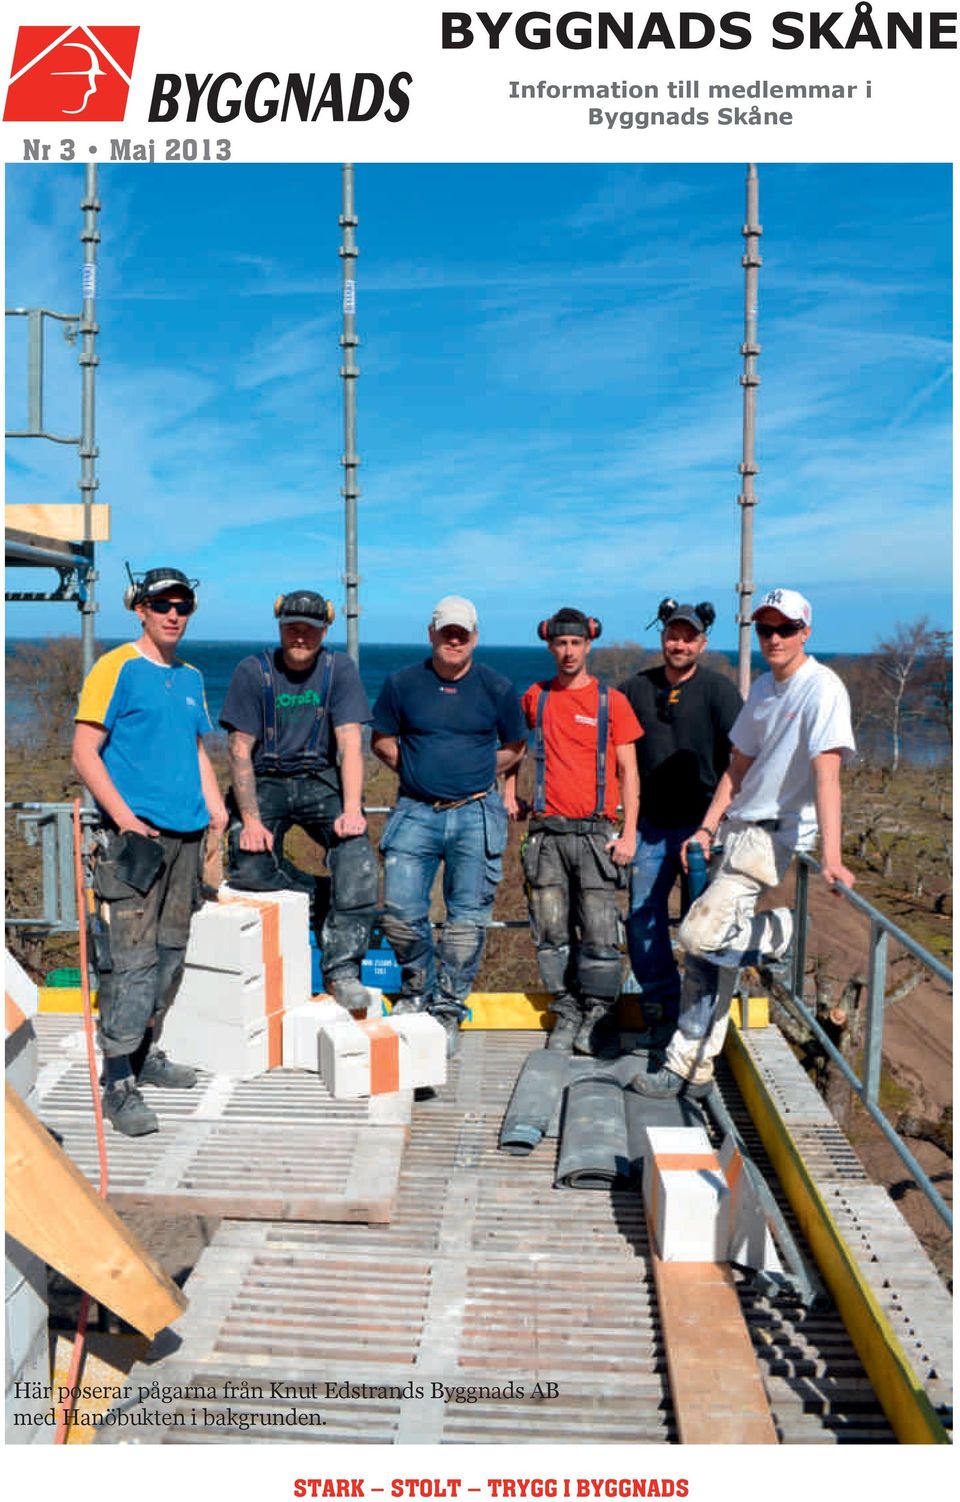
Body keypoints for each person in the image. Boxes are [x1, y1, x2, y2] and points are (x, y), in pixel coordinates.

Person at [631, 588, 856, 1098]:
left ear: (806, 632)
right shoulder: (762, 688)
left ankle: (780, 932)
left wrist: (833, 858)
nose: (774, 638)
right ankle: (691, 1065)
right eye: (765, 629)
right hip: (737, 829)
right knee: (713, 962)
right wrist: (710, 825)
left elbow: (828, 777)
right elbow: (738, 767)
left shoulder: (822, 689)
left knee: (698, 938)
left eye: (785, 629)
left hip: (771, 834)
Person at [72, 566, 228, 1137]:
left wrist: (217, 809)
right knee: (130, 961)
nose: (173, 614)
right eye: (162, 603)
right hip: (136, 842)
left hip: (187, 840)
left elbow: (194, 749)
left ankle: (145, 1053)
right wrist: (127, 821)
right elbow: (85, 752)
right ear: (139, 608)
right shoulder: (116, 668)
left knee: (170, 955)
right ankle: (117, 1082)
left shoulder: (189, 677)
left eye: (182, 605)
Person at [371, 596, 526, 1056]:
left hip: (477, 813)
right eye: (446, 631)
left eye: (463, 633)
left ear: (475, 637)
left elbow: (515, 745)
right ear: (431, 633)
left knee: (466, 922)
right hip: (415, 811)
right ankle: (417, 989)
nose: (454, 639)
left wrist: (477, 771)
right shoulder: (402, 684)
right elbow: (381, 741)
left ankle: (447, 1008)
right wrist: (419, 770)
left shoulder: (497, 687)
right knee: (399, 911)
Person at [220, 589, 378, 1011]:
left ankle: (342, 970)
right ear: (279, 626)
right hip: (265, 780)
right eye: (292, 627)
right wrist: (250, 821)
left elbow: (349, 742)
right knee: (248, 868)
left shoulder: (338, 669)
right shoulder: (252, 671)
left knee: (358, 861)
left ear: (324, 630)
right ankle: (320, 894)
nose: (300, 636)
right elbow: (239, 749)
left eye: (309, 629)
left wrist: (350, 809)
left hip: (319, 779)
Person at [504, 607, 642, 1058]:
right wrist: (509, 792)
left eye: (576, 643)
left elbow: (629, 771)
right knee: (550, 930)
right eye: (560, 643)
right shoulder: (536, 697)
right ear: (550, 645)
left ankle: (598, 1013)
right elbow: (514, 748)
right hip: (546, 834)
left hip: (596, 835)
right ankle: (566, 1011)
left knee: (602, 931)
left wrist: (629, 833)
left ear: (589, 645)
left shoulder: (611, 702)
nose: (568, 651)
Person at [618, 598, 742, 1031]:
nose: (679, 644)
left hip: (700, 830)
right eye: (673, 635)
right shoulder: (635, 689)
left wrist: (714, 826)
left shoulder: (719, 692)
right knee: (642, 918)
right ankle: (662, 1004)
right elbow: (614, 754)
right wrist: (625, 825)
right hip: (648, 827)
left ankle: (699, 1012)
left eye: (689, 638)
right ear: (663, 638)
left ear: (703, 644)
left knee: (700, 924)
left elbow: (741, 759)